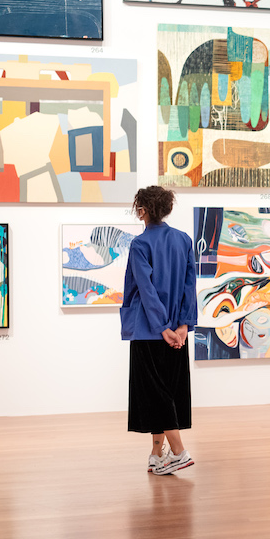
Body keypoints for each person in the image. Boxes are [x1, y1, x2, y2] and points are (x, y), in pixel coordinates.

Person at [121, 185, 198, 476]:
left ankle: (178, 453)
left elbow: (146, 289)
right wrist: (182, 326)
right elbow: (190, 287)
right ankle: (157, 453)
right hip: (176, 333)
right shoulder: (183, 240)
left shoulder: (140, 245)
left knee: (155, 394)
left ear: (143, 210)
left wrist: (162, 328)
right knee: (169, 390)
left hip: (149, 331)